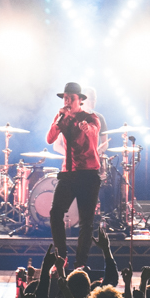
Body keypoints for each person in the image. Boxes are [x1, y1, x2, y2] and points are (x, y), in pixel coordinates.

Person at [45, 82, 102, 267]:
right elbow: (50, 139)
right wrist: (58, 120)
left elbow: (94, 133)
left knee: (86, 222)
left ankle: (81, 263)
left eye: (70, 98)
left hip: (88, 174)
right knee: (55, 213)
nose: (67, 101)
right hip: (68, 173)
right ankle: (61, 256)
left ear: (80, 100)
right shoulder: (61, 116)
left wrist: (86, 128)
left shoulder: (90, 118)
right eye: (65, 98)